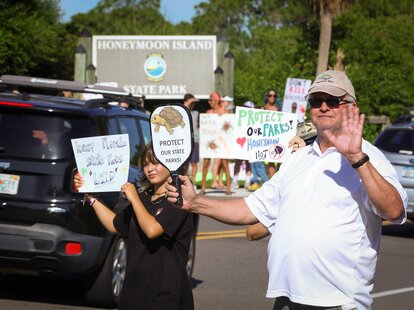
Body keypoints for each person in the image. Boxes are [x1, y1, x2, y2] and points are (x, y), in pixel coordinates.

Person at [166, 70, 408, 310]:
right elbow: (250, 209)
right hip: (286, 298)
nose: (323, 107)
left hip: (339, 302)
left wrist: (356, 157)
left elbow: (395, 211)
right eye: (316, 101)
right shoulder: (297, 159)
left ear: (351, 107)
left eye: (332, 101)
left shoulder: (369, 158)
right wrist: (195, 202)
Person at [74, 143, 194, 310]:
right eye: (145, 164)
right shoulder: (144, 198)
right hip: (134, 290)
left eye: (155, 162)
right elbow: (115, 225)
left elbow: (152, 230)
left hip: (166, 294)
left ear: (171, 163)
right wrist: (90, 196)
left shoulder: (178, 200)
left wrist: (134, 198)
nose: (149, 168)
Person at [183, 93, 200, 185]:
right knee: (185, 163)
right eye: (191, 102)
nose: (193, 104)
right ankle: (185, 181)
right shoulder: (182, 110)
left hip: (195, 140)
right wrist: (190, 101)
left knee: (194, 163)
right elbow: (185, 108)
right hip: (185, 141)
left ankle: (193, 182)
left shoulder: (196, 113)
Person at [262, 88, 280, 178]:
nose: (272, 97)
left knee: (281, 161)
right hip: (268, 137)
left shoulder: (279, 109)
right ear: (267, 97)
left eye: (274, 96)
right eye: (270, 95)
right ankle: (272, 182)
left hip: (278, 136)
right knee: (270, 161)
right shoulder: (263, 108)